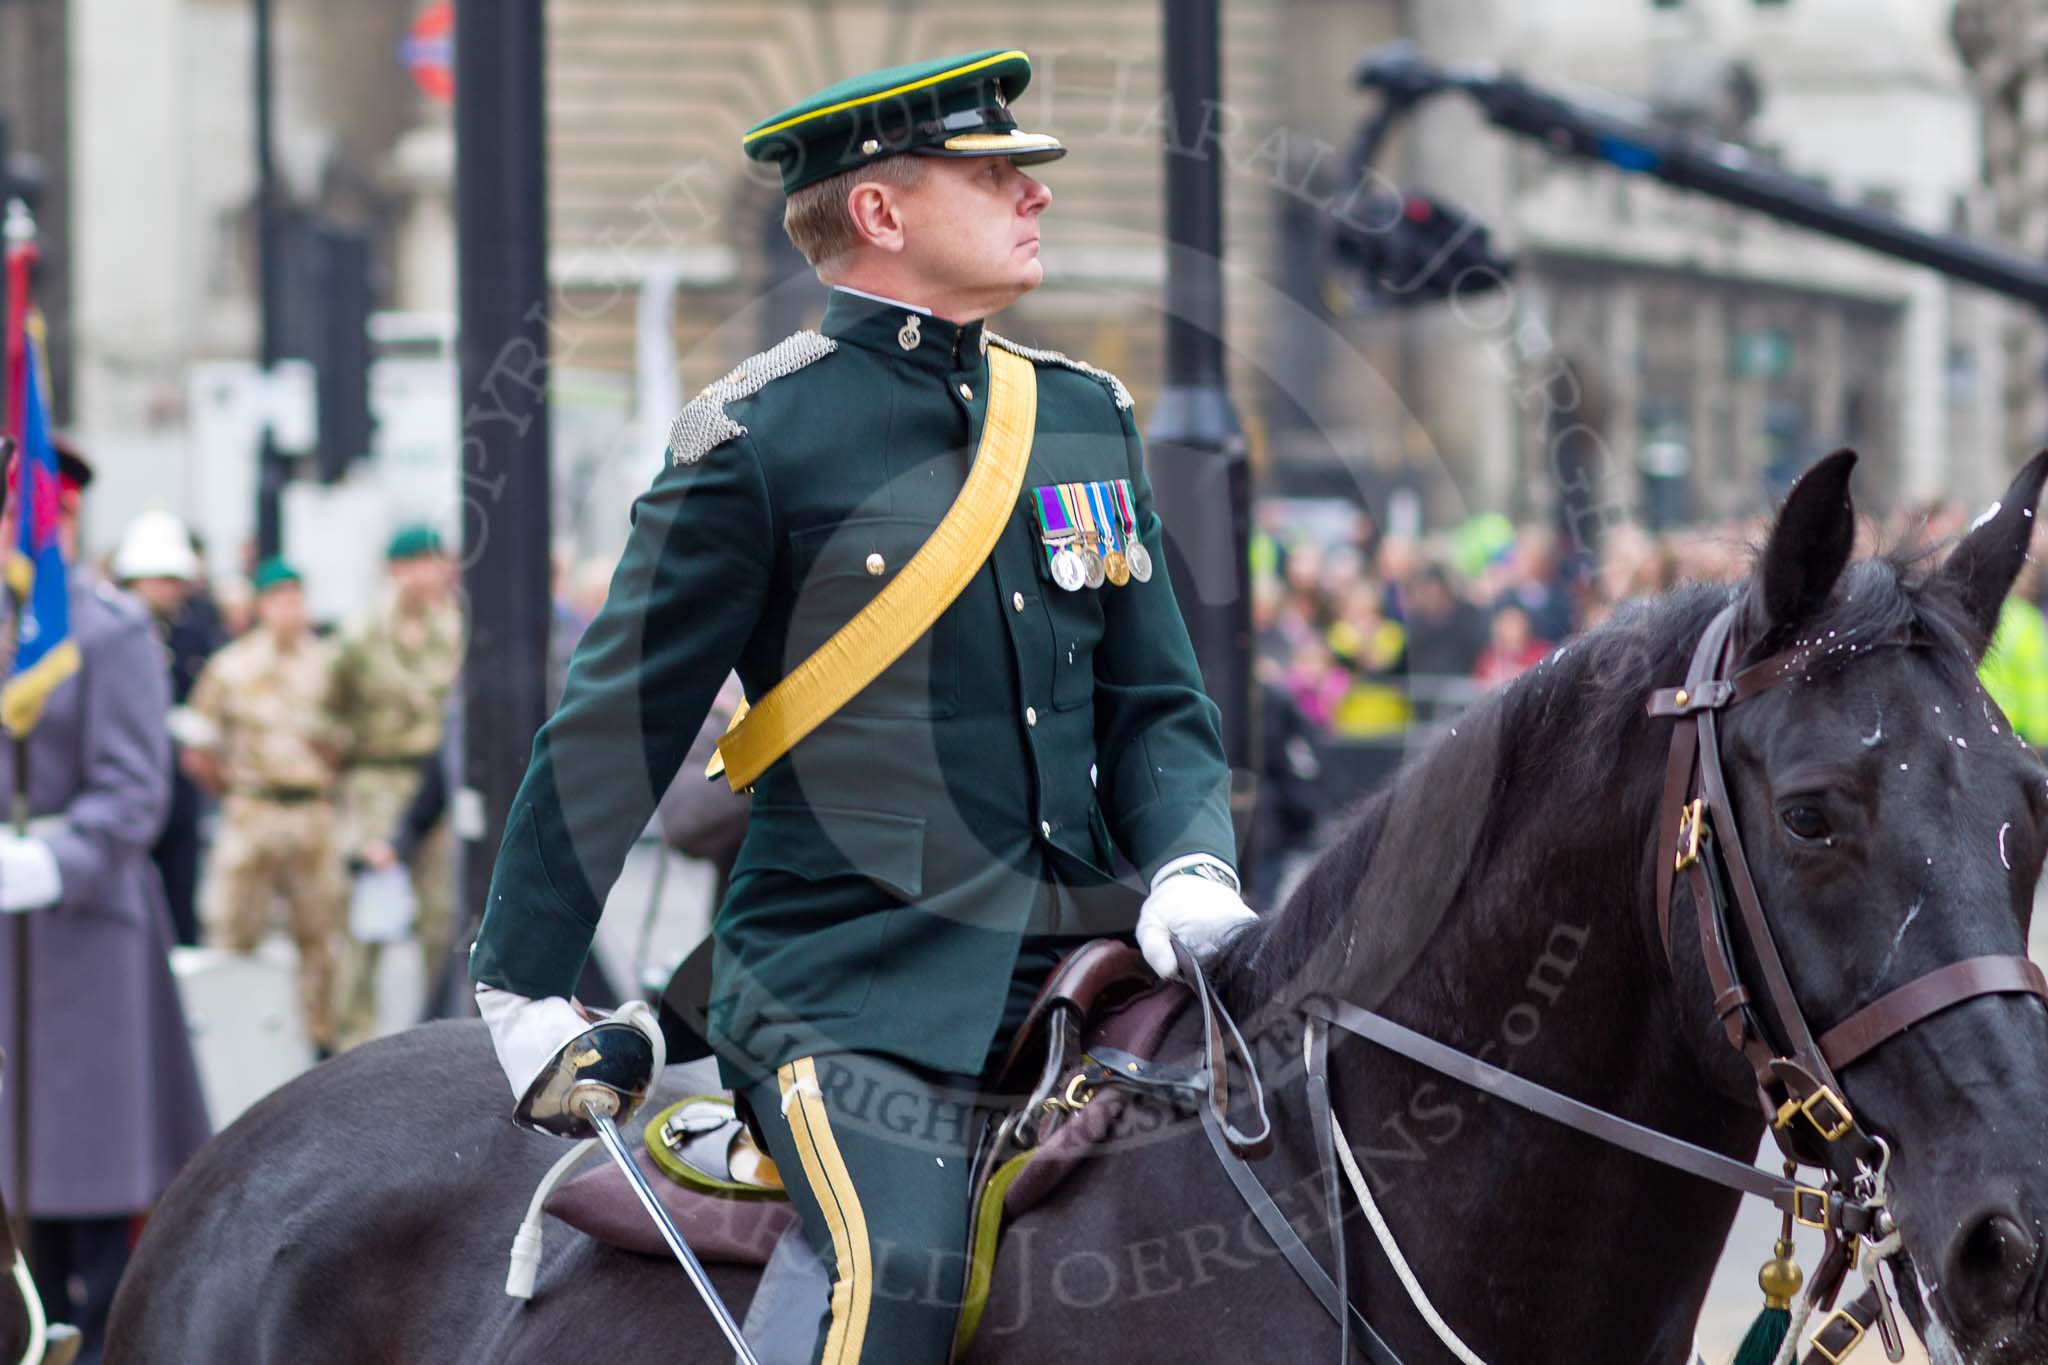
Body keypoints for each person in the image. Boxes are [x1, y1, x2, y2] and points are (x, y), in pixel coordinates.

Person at [467, 48, 1254, 1364]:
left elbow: (1158, 704)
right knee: (903, 1274)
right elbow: (620, 723)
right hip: (848, 982)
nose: (1033, 194)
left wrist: (1188, 861)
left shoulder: (1079, 416)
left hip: (1090, 951)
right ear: (880, 214)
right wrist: (524, 987)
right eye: (993, 171)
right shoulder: (762, 438)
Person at [0, 438, 211, 1365]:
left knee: (87, 1197)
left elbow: (135, 791)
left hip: (82, 940)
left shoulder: (111, 626)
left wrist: (52, 855)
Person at [181, 558, 347, 1055]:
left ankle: (321, 1040)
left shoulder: (327, 664)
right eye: (278, 599)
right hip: (252, 809)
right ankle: (231, 1040)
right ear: (260, 605)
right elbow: (197, 747)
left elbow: (347, 738)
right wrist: (232, 788)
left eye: (297, 598)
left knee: (321, 934)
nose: (289, 609)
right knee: (234, 928)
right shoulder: (230, 666)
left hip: (311, 810)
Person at [325, 525, 462, 1048]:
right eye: (421, 563)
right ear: (397, 569)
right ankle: (352, 1040)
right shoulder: (360, 634)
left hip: (437, 785)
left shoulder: (453, 630)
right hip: (375, 780)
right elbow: (326, 710)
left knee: (443, 916)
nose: (432, 574)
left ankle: (439, 1036)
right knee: (366, 920)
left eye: (437, 562)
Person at [117, 507, 226, 946]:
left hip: (179, 781)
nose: (168, 590)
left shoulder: (196, 628)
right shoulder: (114, 632)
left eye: (173, 579)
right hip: (128, 777)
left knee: (182, 894)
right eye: (157, 578)